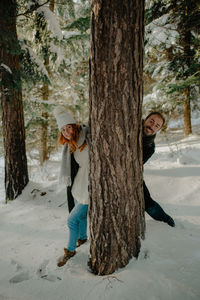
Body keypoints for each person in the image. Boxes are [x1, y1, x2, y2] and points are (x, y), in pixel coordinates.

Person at [53, 107, 89, 267]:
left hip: (92, 186)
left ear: (74, 126)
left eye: (68, 127)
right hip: (80, 184)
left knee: (72, 220)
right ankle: (82, 238)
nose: (66, 131)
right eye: (63, 129)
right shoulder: (70, 145)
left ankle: (70, 250)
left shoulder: (88, 135)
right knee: (80, 217)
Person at [143, 112, 175, 227]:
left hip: (134, 176)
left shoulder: (150, 147)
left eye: (157, 126)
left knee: (146, 201)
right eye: (151, 121)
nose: (152, 127)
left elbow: (135, 165)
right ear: (145, 118)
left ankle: (167, 221)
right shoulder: (131, 126)